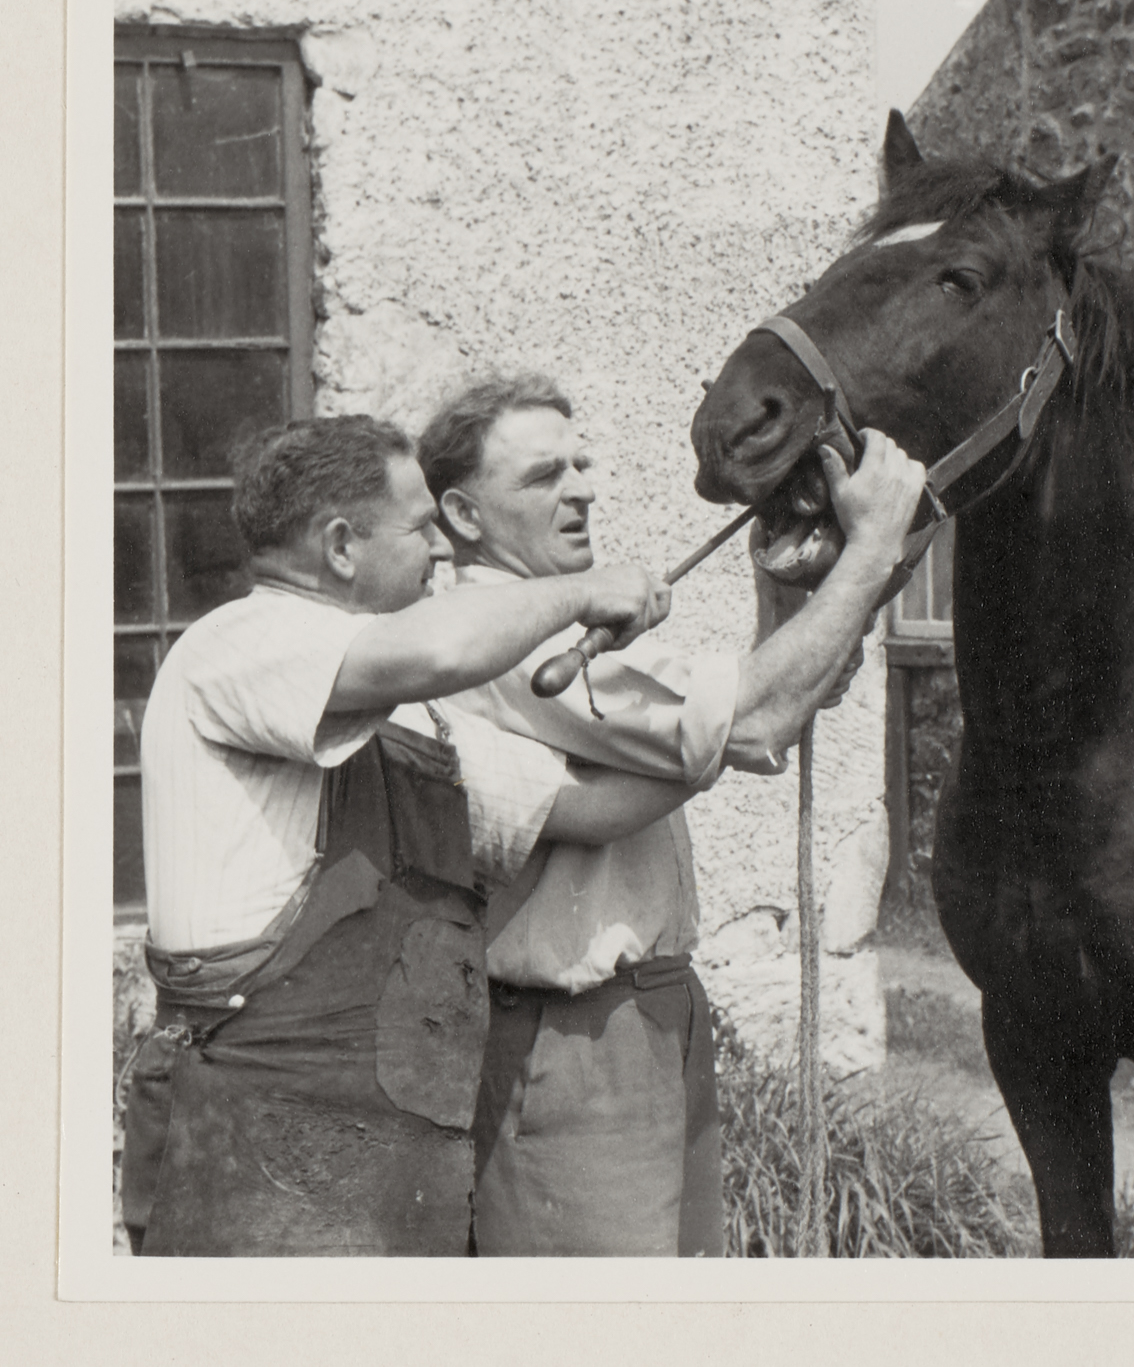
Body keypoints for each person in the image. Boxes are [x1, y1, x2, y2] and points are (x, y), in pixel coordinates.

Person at [123, 414, 687, 1257]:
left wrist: (730, 720)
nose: (443, 551)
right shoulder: (241, 642)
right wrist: (582, 592)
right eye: (422, 528)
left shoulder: (407, 716)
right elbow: (442, 649)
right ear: (340, 546)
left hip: (387, 1148)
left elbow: (594, 807)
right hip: (255, 1132)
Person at [417, 375, 925, 1256]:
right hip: (569, 1040)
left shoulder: (551, 620)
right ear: (463, 514)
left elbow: (756, 717)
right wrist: (872, 547)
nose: (581, 489)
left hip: (649, 1017)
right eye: (544, 475)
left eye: (581, 464)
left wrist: (785, 589)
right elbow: (752, 721)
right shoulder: (490, 632)